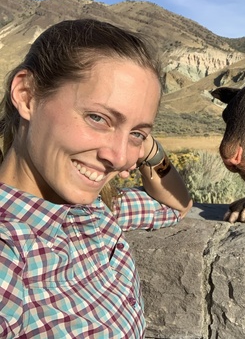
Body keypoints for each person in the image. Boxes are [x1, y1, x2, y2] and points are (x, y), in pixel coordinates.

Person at [0, 18, 193, 338]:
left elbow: (176, 206)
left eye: (136, 133)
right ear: (27, 95)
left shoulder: (98, 209)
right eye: (98, 118)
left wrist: (150, 151)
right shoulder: (8, 249)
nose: (118, 158)